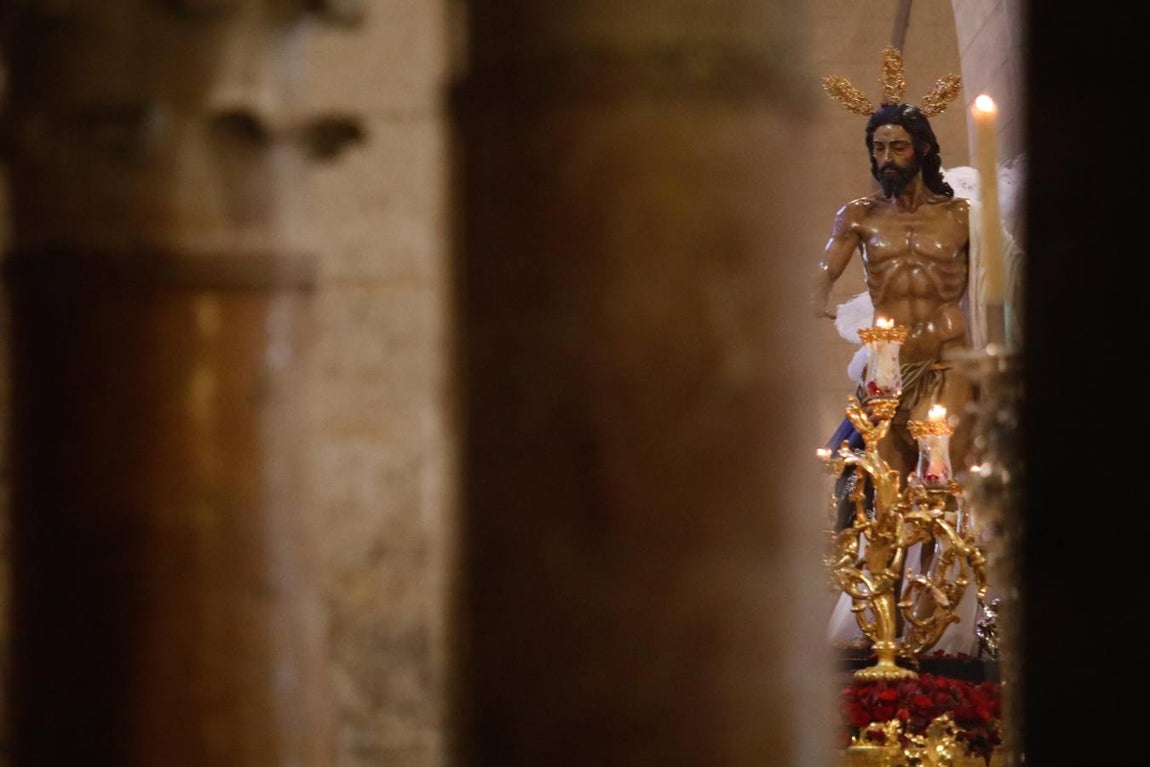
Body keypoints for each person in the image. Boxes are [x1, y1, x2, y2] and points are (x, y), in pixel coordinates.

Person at [812, 101, 976, 491]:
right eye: (878, 148)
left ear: (922, 149)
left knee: (940, 476)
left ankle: (951, 553)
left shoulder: (960, 216)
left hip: (946, 360)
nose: (886, 158)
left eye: (897, 147)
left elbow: (993, 276)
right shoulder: (859, 216)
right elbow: (825, 269)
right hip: (887, 370)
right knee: (884, 488)